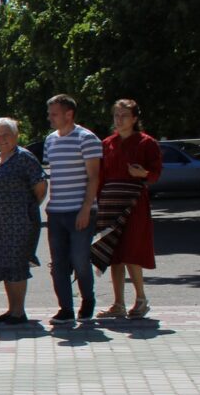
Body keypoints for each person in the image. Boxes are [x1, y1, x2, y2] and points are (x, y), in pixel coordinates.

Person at [93, 98, 162, 319]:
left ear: (134, 118)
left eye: (124, 115)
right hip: (109, 203)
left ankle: (141, 299)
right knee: (113, 253)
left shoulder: (146, 143)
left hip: (134, 203)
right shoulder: (106, 144)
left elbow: (156, 173)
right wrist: (98, 202)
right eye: (116, 115)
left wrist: (142, 174)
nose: (119, 119)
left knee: (132, 251)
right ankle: (118, 303)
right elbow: (100, 176)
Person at [0, 118, 46, 325]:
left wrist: (26, 208)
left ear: (16, 135)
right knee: (6, 266)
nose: (1, 139)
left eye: (6, 134)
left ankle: (19, 311)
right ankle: (12, 309)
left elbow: (40, 186)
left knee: (17, 265)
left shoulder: (24, 157)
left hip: (19, 222)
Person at [42, 93, 102, 322]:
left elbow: (94, 177)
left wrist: (86, 208)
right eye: (50, 114)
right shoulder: (50, 140)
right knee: (58, 263)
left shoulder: (86, 138)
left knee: (80, 260)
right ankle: (65, 308)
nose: (50, 118)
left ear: (69, 114)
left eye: (54, 114)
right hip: (56, 212)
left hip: (80, 210)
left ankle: (87, 300)